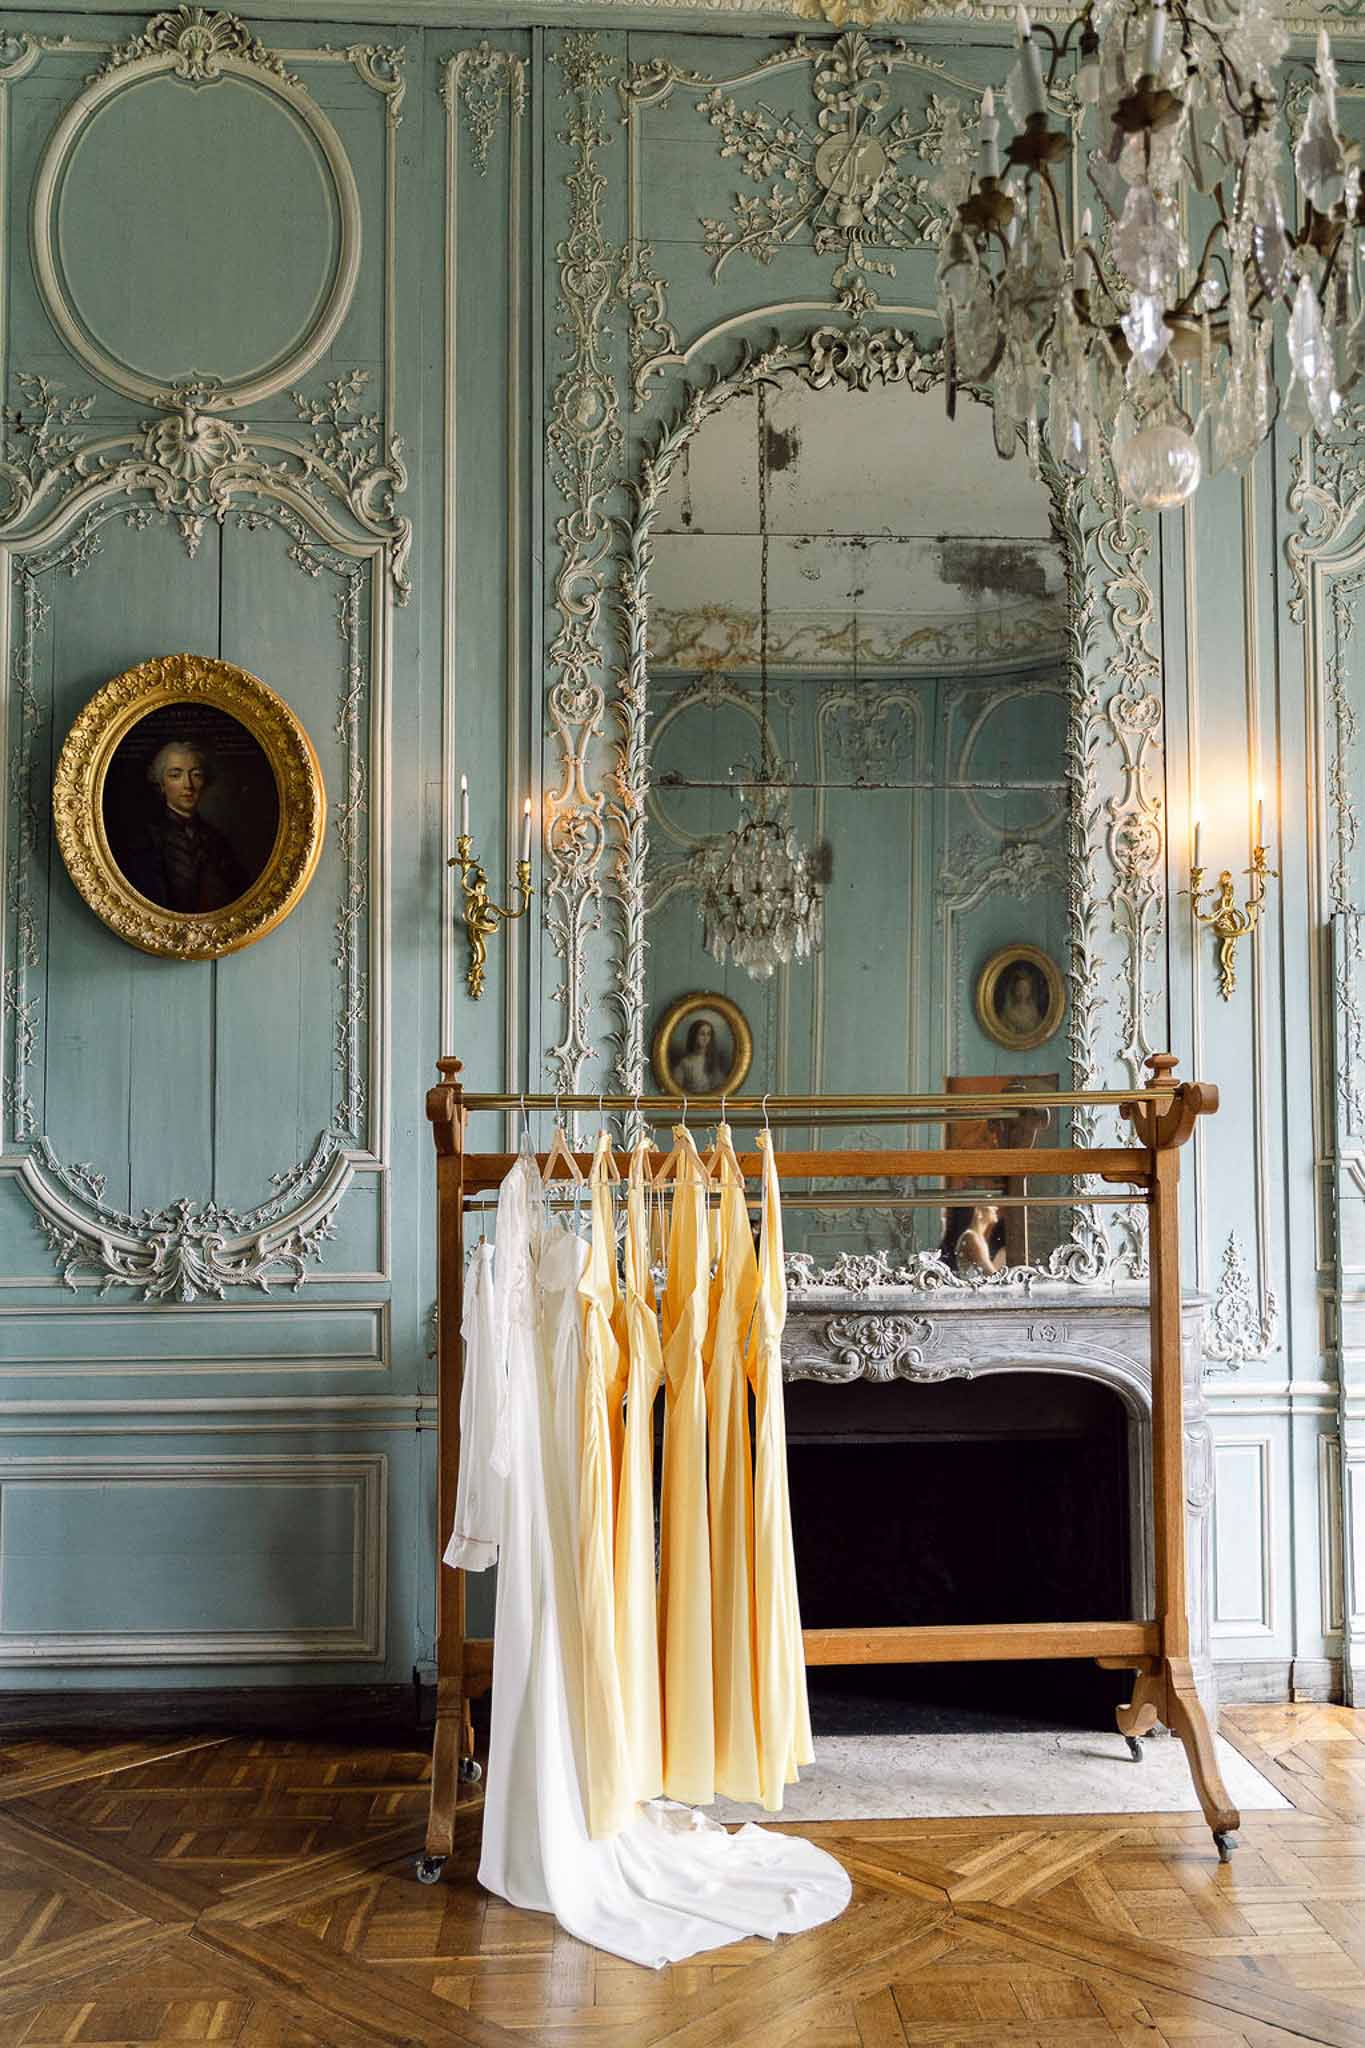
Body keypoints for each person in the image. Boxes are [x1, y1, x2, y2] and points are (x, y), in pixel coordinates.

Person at [117, 739, 247, 914]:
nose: (188, 785)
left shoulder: (217, 840)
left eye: (196, 774)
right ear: (162, 784)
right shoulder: (146, 838)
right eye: (175, 775)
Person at [672, 1016, 725, 1094]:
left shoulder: (713, 1060)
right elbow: (676, 1091)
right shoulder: (685, 1063)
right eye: (702, 1034)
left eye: (708, 1034)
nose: (706, 1038)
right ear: (694, 1036)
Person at [997, 963, 1045, 1039]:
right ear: (1014, 990)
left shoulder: (1034, 1012)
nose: (1022, 992)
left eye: (1025, 989)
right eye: (1019, 988)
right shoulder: (1008, 1012)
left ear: (1030, 990)